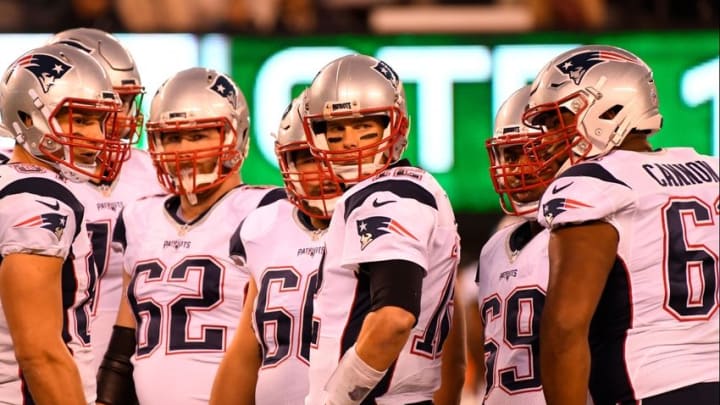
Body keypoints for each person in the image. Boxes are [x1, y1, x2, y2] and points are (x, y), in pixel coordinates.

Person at [522, 44, 720, 405]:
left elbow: (565, 329)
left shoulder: (594, 182)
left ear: (609, 108)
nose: (548, 138)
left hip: (648, 387)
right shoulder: (712, 171)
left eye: (557, 119)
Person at [95, 67, 285, 405]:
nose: (182, 148)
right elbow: (125, 346)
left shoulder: (266, 211)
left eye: (198, 135)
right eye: (171, 136)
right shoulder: (140, 216)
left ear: (235, 136)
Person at [302, 53, 462, 405]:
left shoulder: (388, 194)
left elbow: (394, 317)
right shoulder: (405, 189)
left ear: (396, 127)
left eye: (364, 126)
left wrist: (336, 400)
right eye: (336, 129)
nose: (349, 141)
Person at [0, 42, 121, 404]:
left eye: (99, 121)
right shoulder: (38, 198)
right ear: (26, 116)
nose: (97, 137)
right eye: (79, 119)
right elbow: (40, 354)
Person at [47, 26, 166, 377]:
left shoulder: (155, 173)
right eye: (101, 106)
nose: (118, 119)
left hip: (133, 371)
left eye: (125, 102)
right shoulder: (25, 178)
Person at [210, 90, 341, 405]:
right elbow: (246, 351)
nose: (322, 171)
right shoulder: (266, 227)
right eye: (308, 159)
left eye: (331, 157)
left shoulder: (384, 222)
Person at [476, 85, 567, 404]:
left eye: (533, 153)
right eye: (509, 154)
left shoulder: (584, 239)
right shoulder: (493, 248)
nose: (516, 169)